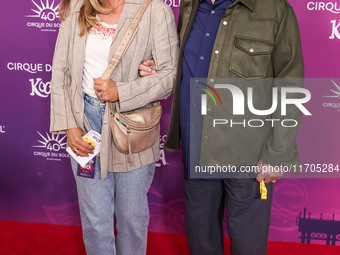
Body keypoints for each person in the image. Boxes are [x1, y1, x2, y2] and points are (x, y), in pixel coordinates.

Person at [139, 0, 304, 254]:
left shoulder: (275, 9)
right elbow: (188, 65)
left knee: (248, 246)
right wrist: (156, 73)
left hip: (249, 156)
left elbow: (290, 86)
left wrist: (278, 153)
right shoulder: (190, 5)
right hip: (198, 149)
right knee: (201, 242)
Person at [50, 0, 178, 254]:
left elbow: (169, 75)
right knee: (95, 220)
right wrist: (70, 126)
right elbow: (61, 72)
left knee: (132, 218)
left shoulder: (155, 9)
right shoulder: (77, 6)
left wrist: (122, 91)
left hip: (132, 126)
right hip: (86, 124)